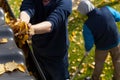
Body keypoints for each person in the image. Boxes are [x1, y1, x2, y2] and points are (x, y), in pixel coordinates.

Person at [19, 0, 72, 80]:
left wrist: (31, 30)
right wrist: (23, 25)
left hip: (57, 55)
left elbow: (50, 24)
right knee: (41, 75)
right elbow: (26, 10)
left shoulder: (65, 2)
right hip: (38, 49)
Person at [77, 0, 120, 80]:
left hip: (102, 47)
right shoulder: (107, 9)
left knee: (99, 63)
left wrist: (87, 50)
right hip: (116, 42)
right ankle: (117, 77)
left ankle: (95, 78)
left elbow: (89, 42)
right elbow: (118, 17)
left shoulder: (87, 25)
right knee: (117, 60)